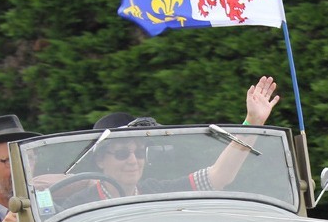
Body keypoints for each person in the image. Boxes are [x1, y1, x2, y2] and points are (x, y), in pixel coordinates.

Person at [83, 76, 281, 198]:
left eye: (140, 152)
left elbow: (219, 176)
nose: (133, 161)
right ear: (100, 160)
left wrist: (253, 122)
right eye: (122, 153)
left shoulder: (153, 192)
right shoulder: (80, 204)